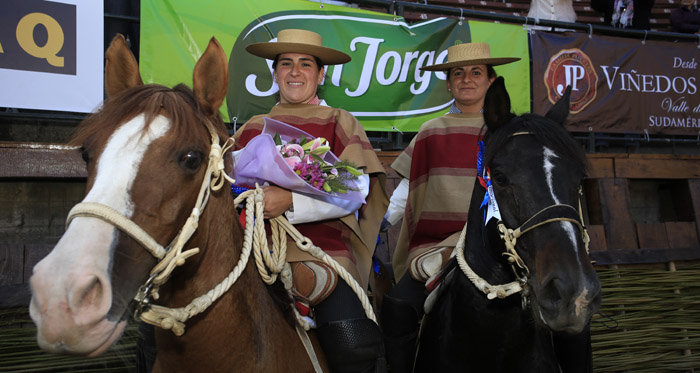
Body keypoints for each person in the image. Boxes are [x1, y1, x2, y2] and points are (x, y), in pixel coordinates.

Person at [234, 29, 389, 373]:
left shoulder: (339, 121)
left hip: (324, 254)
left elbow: (356, 191)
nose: (294, 72)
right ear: (274, 74)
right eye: (285, 64)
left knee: (352, 346)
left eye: (306, 64)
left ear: (321, 75)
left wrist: (289, 201)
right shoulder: (252, 128)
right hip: (254, 253)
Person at [380, 42, 520, 372]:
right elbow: (409, 190)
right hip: (438, 248)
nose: (466, 79)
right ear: (448, 83)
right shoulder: (431, 131)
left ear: (491, 80)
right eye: (458, 73)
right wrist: (378, 225)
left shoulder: (512, 132)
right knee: (398, 307)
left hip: (502, 246)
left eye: (475, 72)